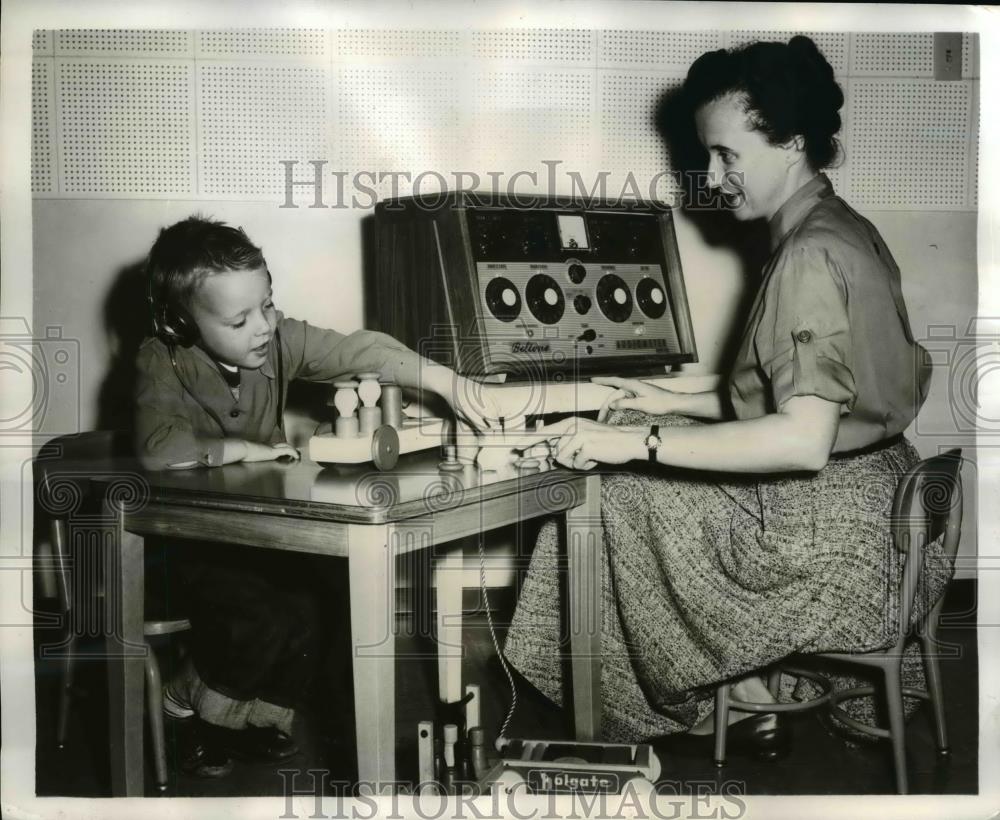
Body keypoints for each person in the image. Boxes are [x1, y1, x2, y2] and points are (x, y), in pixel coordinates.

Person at [503, 36, 950, 757]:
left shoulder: (805, 255)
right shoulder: (842, 227)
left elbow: (801, 439)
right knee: (626, 447)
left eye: (727, 156)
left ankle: (692, 704)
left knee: (608, 490)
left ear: (793, 143)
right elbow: (812, 393)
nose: (711, 177)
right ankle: (743, 694)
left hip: (829, 548)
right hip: (887, 512)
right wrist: (665, 398)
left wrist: (629, 439)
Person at [135, 215, 498, 776]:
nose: (263, 327)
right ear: (182, 323)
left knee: (322, 604)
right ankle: (188, 705)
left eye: (268, 305)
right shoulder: (161, 359)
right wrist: (246, 451)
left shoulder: (278, 341)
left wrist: (446, 381)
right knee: (262, 621)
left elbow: (361, 351)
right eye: (240, 319)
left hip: (267, 534)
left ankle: (253, 717)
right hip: (192, 543)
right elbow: (160, 447)